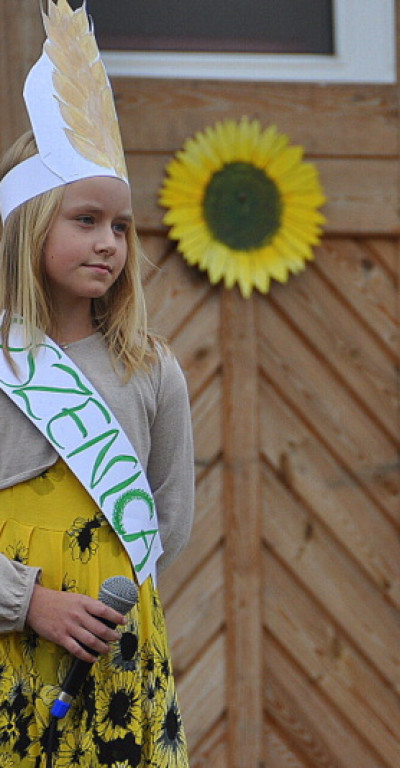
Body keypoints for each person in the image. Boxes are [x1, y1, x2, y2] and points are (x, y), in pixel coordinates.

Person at [0, 1, 193, 765]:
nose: (109, 243)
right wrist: (30, 603)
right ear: (26, 224)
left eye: (121, 227)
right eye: (85, 220)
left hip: (114, 653)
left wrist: (103, 597)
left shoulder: (153, 367)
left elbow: (167, 519)